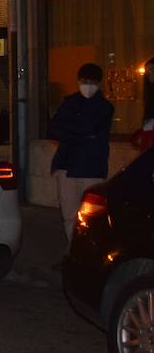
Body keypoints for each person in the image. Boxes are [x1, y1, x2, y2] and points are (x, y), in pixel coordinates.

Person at [49, 62, 115, 242]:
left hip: (91, 168)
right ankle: (72, 253)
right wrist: (80, 135)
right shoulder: (69, 102)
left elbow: (90, 128)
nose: (88, 86)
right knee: (69, 215)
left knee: (91, 217)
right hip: (66, 166)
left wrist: (69, 132)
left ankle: (89, 255)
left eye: (92, 82)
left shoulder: (104, 107)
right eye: (85, 81)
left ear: (99, 83)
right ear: (78, 81)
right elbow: (53, 129)